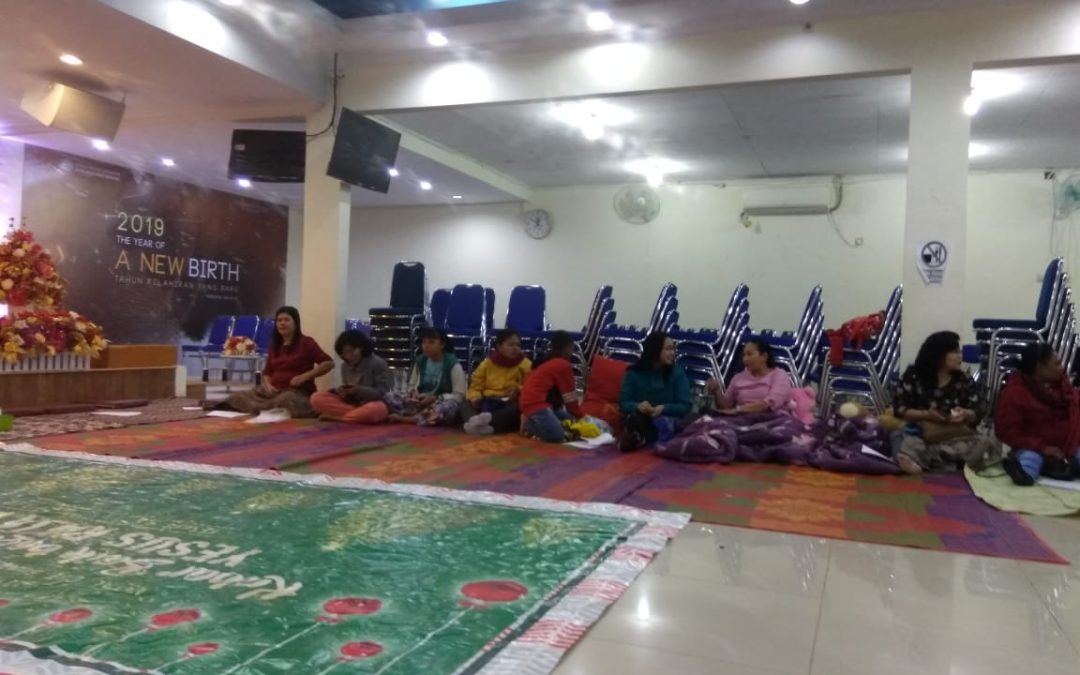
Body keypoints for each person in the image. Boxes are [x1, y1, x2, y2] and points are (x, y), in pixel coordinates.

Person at [892, 330, 999, 475]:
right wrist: (926, 415)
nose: (960, 356)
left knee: (982, 442)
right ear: (938, 354)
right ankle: (940, 462)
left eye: (959, 352)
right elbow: (900, 409)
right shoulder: (914, 376)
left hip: (953, 435)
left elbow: (979, 409)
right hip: (922, 433)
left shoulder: (963, 380)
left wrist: (966, 413)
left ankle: (927, 460)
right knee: (902, 438)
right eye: (954, 352)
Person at [214, 306, 334, 418]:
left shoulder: (307, 343)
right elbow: (267, 372)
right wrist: (268, 385)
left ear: (295, 323)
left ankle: (261, 409)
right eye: (279, 320)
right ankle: (266, 409)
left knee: (286, 400)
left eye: (286, 320)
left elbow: (328, 363)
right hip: (273, 393)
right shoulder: (275, 346)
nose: (282, 323)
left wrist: (304, 377)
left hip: (297, 393)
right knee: (238, 396)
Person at [995, 342, 1080, 485]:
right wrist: (1043, 448)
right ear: (1040, 367)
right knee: (1030, 459)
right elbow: (1006, 431)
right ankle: (1024, 474)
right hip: (1034, 447)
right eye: (1057, 364)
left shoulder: (1064, 387)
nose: (1062, 368)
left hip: (1068, 446)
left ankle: (1067, 465)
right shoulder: (1015, 393)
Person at [618, 331, 692, 452]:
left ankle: (639, 437)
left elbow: (685, 406)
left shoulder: (677, 373)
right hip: (643, 416)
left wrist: (664, 408)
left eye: (673, 349)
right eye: (668, 349)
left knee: (667, 422)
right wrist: (638, 406)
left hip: (669, 418)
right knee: (636, 417)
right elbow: (623, 403)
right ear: (654, 350)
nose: (672, 353)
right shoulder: (633, 373)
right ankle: (638, 437)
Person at [385, 327, 466, 426]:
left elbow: (459, 395)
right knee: (389, 396)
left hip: (439, 402)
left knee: (449, 406)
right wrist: (414, 395)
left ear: (442, 345)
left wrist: (436, 398)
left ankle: (408, 418)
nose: (426, 346)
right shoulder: (420, 361)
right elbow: (412, 385)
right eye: (424, 342)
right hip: (420, 402)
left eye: (431, 342)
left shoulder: (453, 364)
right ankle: (417, 415)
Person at [310, 330, 394, 424]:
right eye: (344, 353)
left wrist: (358, 390)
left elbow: (384, 393)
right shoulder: (344, 366)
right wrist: (343, 392)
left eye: (351, 351)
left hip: (374, 404)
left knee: (376, 409)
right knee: (316, 398)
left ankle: (339, 418)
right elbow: (348, 397)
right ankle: (356, 416)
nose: (348, 356)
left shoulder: (378, 363)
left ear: (361, 348)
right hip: (353, 405)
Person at [463, 328, 532, 435]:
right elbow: (475, 387)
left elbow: (532, 387)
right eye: (511, 345)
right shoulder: (487, 364)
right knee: (463, 403)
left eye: (518, 345)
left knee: (520, 408)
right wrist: (475, 398)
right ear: (499, 347)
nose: (515, 348)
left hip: (509, 404)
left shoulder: (526, 364)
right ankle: (482, 423)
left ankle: (485, 424)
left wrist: (518, 390)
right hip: (488, 402)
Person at [518, 331, 582, 443]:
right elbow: (570, 396)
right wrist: (579, 417)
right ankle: (528, 425)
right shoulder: (563, 365)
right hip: (535, 403)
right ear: (569, 347)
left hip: (545, 403)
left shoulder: (549, 360)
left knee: (570, 421)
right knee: (557, 435)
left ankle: (538, 421)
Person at [705, 339, 793, 416]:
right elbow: (726, 408)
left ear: (764, 356)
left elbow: (770, 404)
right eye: (744, 355)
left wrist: (739, 410)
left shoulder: (779, 375)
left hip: (772, 419)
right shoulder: (738, 378)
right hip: (741, 419)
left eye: (749, 354)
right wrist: (717, 390)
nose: (745, 359)